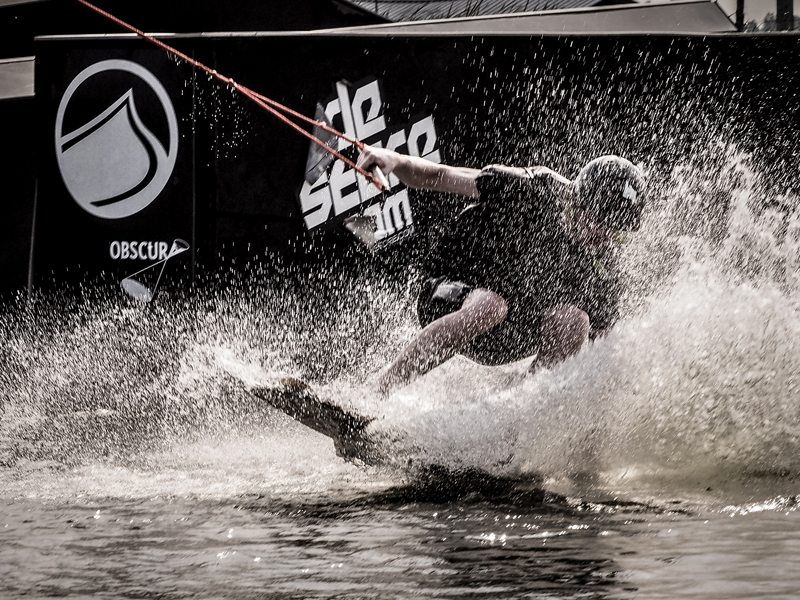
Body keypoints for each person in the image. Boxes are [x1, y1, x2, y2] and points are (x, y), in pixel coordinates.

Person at [355, 146, 645, 396]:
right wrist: (394, 159)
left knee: (574, 321)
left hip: (506, 335)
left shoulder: (603, 272)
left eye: (615, 230)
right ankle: (375, 393)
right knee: (491, 305)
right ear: (578, 200)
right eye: (598, 221)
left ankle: (515, 425)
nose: (603, 236)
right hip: (446, 295)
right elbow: (439, 176)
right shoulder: (532, 189)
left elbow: (603, 353)